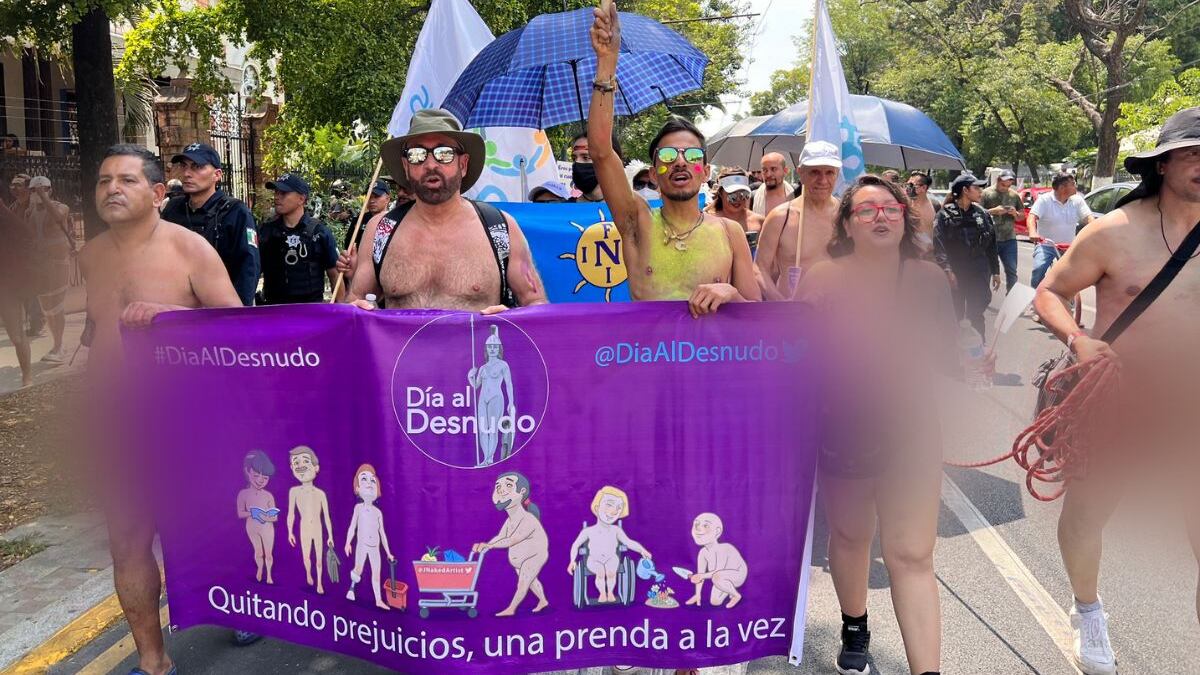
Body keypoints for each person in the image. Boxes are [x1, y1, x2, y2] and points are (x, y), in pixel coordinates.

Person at [1032, 106, 1200, 675]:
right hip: (1118, 395)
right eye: (1192, 153)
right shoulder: (1113, 231)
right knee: (1087, 514)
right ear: (1163, 162)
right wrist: (1078, 339)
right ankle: (1089, 609)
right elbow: (1048, 292)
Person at [81, 144, 244, 675]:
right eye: (104, 181)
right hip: (116, 420)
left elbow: (239, 329)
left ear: (155, 194)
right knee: (125, 537)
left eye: (126, 180)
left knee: (213, 521)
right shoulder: (93, 255)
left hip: (187, 417)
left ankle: (245, 602)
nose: (112, 189)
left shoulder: (189, 249)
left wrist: (172, 315)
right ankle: (153, 661)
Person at [795, 174, 954, 675]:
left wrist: (972, 360)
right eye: (866, 210)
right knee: (851, 534)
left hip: (912, 428)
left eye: (890, 208)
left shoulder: (929, 278)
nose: (880, 216)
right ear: (847, 223)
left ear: (905, 218)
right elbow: (793, 351)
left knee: (910, 553)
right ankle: (855, 621)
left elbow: (946, 349)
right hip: (843, 425)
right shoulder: (821, 277)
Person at [587, 3, 759, 316]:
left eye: (691, 155)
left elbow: (757, 318)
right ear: (653, 174)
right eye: (668, 155)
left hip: (712, 362)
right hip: (649, 361)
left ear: (705, 171)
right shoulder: (635, 221)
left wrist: (731, 292)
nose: (679, 162)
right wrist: (607, 63)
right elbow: (599, 150)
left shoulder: (729, 233)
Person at [337, 108, 546, 312]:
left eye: (444, 153)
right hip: (400, 348)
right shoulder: (381, 231)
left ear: (463, 164)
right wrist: (354, 308)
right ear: (406, 166)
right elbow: (356, 301)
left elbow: (536, 304)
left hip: (478, 346)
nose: (430, 164)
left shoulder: (499, 228)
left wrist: (512, 318)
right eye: (417, 154)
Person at [161, 142, 261, 306]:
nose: (187, 173)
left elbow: (248, 267)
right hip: (177, 309)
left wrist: (238, 315)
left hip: (219, 309)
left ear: (217, 174)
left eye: (197, 167)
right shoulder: (173, 209)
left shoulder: (235, 212)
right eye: (184, 166)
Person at [756, 141, 843, 300]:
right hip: (792, 315)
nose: (822, 180)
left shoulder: (847, 217)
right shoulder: (780, 218)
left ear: (837, 173)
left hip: (838, 316)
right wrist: (780, 304)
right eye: (815, 172)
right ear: (801, 173)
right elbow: (759, 268)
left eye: (829, 172)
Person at [472, 471, 550, 616]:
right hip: (520, 560)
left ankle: (511, 609)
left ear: (522, 492)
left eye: (508, 485)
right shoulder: (509, 521)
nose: (501, 489)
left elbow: (512, 540)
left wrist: (490, 546)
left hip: (533, 556)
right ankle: (543, 600)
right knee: (531, 581)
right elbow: (501, 536)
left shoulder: (528, 519)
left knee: (523, 583)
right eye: (498, 486)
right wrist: (486, 545)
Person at [934, 173, 1001, 337]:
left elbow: (991, 244)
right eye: (976, 188)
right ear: (965, 190)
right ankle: (954, 351)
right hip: (955, 272)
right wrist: (947, 271)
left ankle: (978, 349)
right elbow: (939, 247)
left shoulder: (982, 214)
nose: (981, 191)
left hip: (978, 271)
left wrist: (996, 271)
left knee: (976, 313)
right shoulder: (944, 215)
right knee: (955, 314)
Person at [258, 173, 341, 305]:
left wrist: (340, 312)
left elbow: (335, 274)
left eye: (283, 193)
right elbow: (253, 270)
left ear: (301, 199)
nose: (277, 197)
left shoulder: (320, 233)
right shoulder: (266, 231)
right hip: (273, 311)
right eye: (276, 192)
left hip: (310, 312)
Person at [26, 176, 73, 363]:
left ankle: (59, 346)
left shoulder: (61, 206)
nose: (37, 192)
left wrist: (43, 197)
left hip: (58, 262)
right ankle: (57, 344)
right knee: (47, 308)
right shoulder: (29, 212)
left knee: (57, 305)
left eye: (42, 188)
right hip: (40, 265)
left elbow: (58, 218)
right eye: (33, 190)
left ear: (50, 190)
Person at [1027, 171, 1093, 290]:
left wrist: (1095, 229)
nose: (1076, 186)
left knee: (1073, 274)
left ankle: (1069, 301)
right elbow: (1032, 217)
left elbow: (1089, 218)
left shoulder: (1077, 200)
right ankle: (1035, 299)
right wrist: (1032, 232)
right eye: (1073, 184)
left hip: (1068, 246)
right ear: (1062, 188)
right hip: (1046, 245)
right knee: (1038, 268)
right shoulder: (1044, 200)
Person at [0, 198, 34, 387]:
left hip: (6, 284)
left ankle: (27, 376)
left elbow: (27, 236)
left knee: (16, 335)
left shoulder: (4, 215)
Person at [980, 170, 1023, 291]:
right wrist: (993, 211)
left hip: (1009, 239)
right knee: (986, 271)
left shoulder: (1014, 195)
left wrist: (1015, 213)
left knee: (1012, 271)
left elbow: (1022, 216)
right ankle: (983, 297)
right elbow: (976, 213)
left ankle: (1011, 302)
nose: (1006, 188)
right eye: (1004, 185)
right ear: (998, 180)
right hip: (989, 239)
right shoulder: (985, 193)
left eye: (1009, 186)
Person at [709, 168, 763, 250]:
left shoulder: (759, 222)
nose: (738, 199)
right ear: (720, 193)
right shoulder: (709, 222)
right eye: (732, 196)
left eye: (743, 194)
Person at [343, 180, 392, 250]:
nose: (371, 200)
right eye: (369, 197)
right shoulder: (359, 220)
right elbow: (348, 246)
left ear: (387, 199)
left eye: (376, 197)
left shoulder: (392, 221)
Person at [906, 171, 939, 257]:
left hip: (930, 257)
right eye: (907, 184)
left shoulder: (935, 206)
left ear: (924, 188)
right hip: (909, 256)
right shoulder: (905, 205)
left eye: (912, 185)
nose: (908, 188)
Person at [751, 152, 794, 217]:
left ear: (785, 171)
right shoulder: (752, 198)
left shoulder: (796, 195)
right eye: (764, 170)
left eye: (773, 169)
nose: (768, 174)